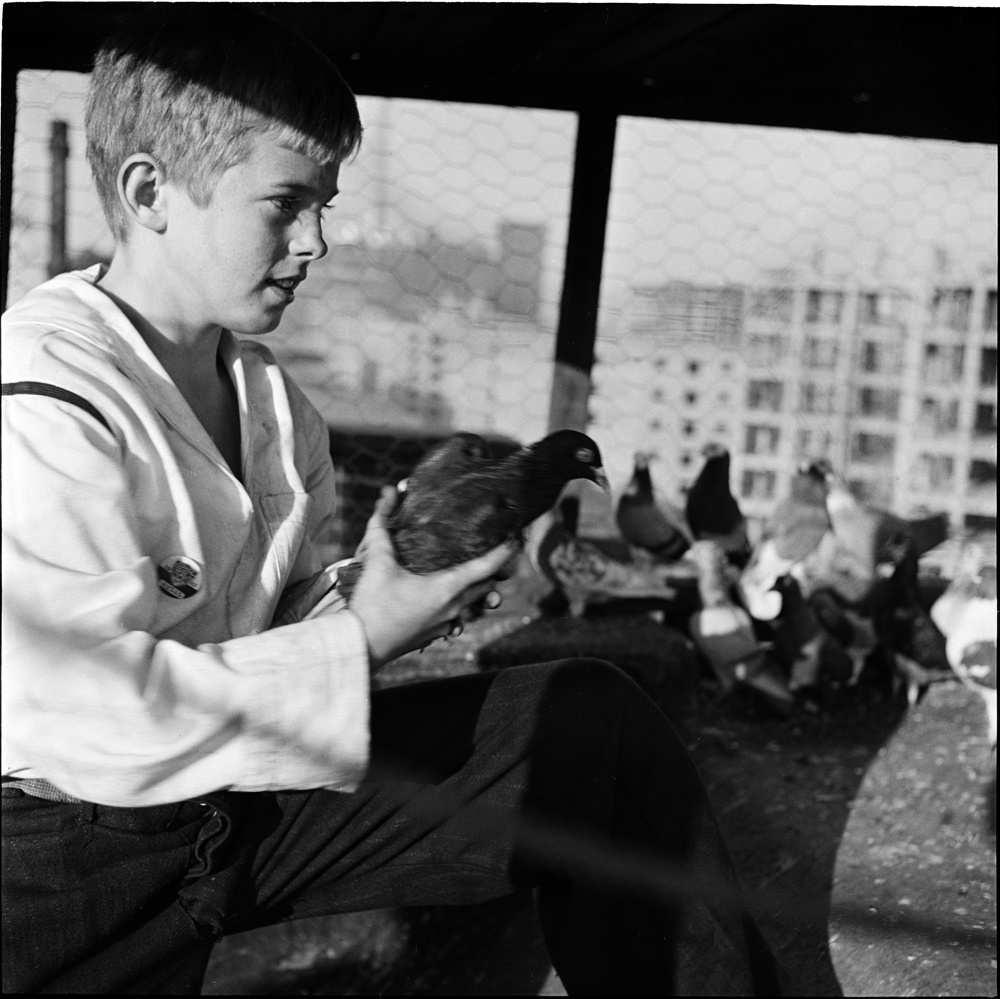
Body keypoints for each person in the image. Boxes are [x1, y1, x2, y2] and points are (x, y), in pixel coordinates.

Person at [1, 10, 783, 994]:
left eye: (323, 203)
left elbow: (269, 627)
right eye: (285, 204)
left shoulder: (274, 404)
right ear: (150, 190)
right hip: (57, 865)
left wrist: (385, 596)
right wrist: (361, 636)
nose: (317, 239)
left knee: (589, 725)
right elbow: (78, 717)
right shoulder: (42, 400)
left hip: (239, 802)